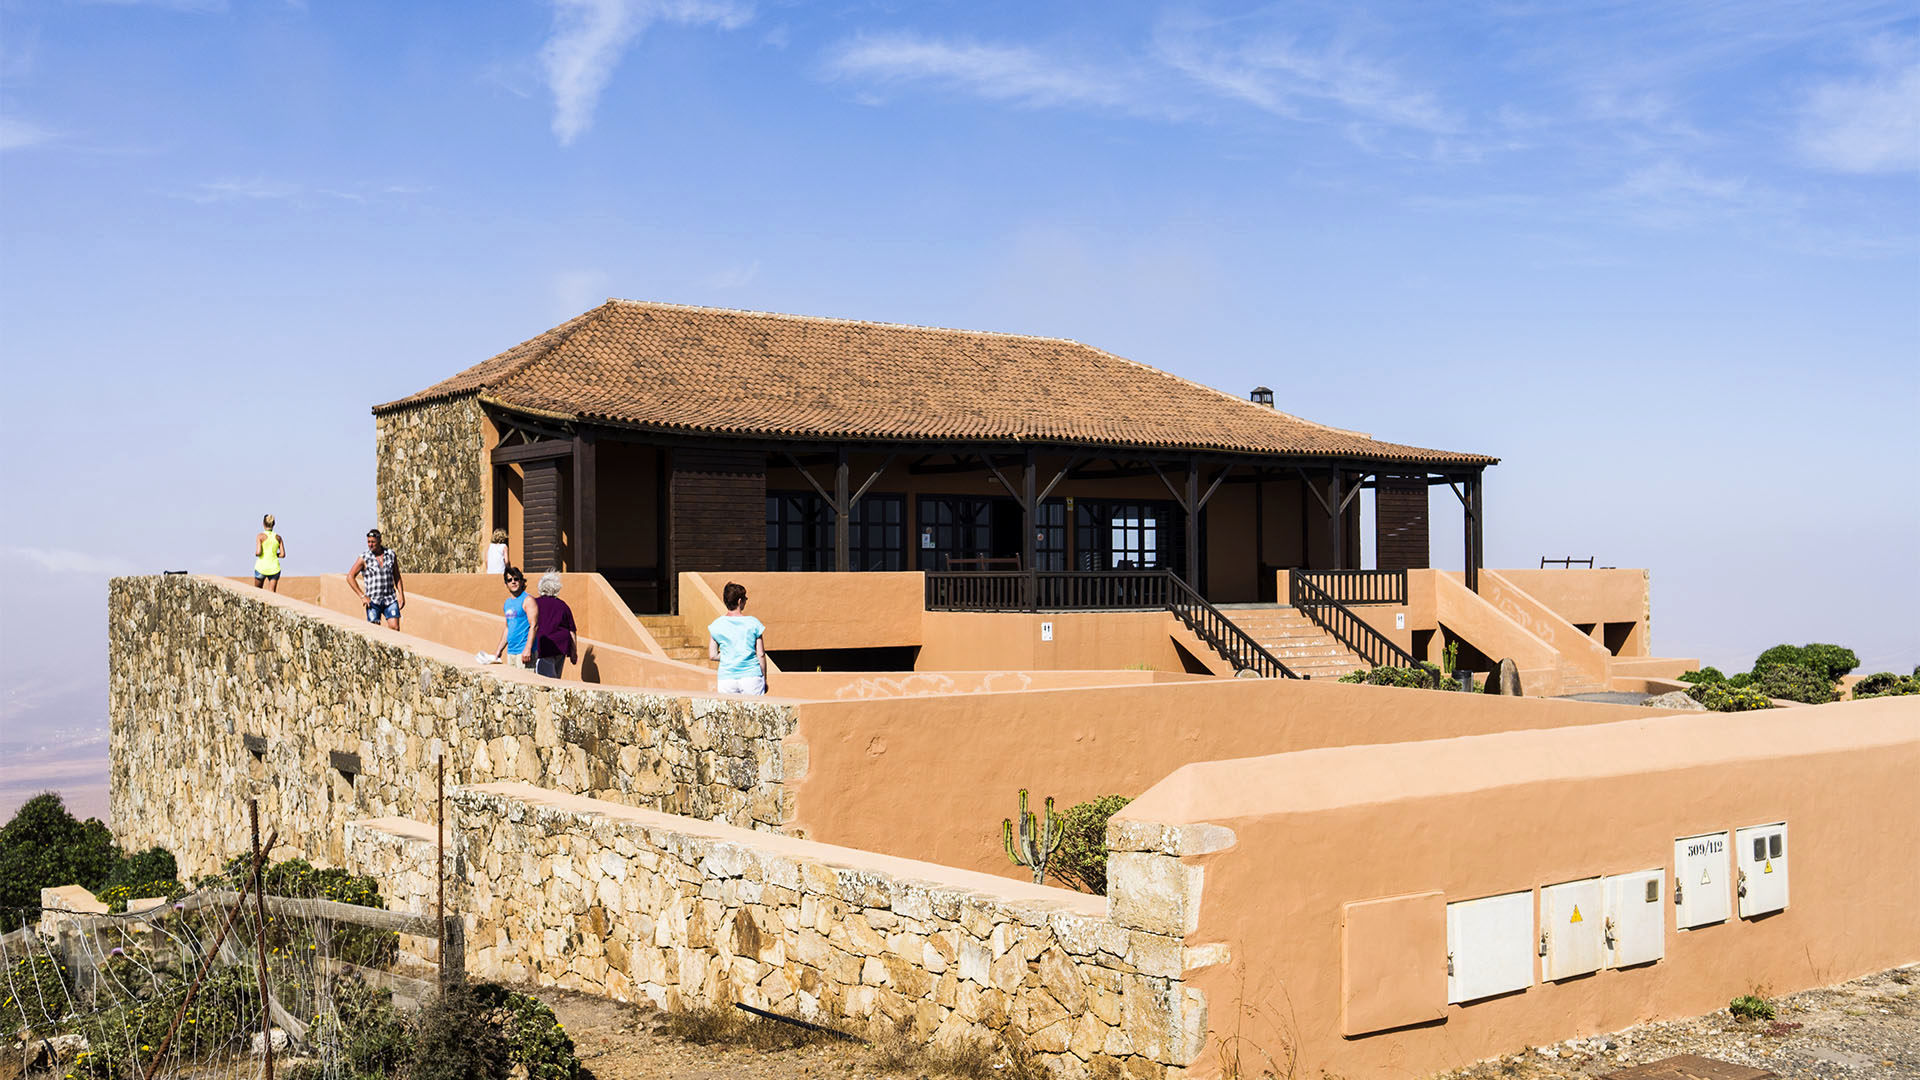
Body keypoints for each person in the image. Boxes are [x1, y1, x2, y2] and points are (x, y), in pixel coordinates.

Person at [707, 582, 767, 695]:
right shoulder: (753, 623)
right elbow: (761, 654)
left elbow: (712, 655)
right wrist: (764, 678)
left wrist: (731, 655)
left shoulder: (716, 625)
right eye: (745, 599)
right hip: (751, 676)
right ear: (740, 601)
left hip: (726, 678)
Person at [347, 528, 405, 629]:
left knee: (394, 627)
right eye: (368, 542)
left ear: (379, 541)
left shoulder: (391, 554)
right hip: (373, 601)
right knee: (375, 630)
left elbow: (397, 576)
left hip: (390, 599)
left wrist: (401, 594)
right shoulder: (364, 558)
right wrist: (362, 596)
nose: (370, 544)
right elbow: (350, 577)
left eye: (373, 542)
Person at [526, 570, 577, 679]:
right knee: (556, 678)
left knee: (547, 680)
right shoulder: (563, 605)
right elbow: (571, 630)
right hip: (561, 647)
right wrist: (573, 652)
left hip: (544, 646)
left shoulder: (534, 603)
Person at [491, 566, 536, 668]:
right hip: (511, 652)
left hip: (524, 653)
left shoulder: (528, 600)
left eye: (516, 579)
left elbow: (534, 625)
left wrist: (528, 649)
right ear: (506, 584)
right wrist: (498, 650)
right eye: (510, 580)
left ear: (521, 581)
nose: (513, 582)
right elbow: (508, 628)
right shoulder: (507, 603)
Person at [253, 514, 285, 592]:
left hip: (261, 567)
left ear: (263, 524)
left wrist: (257, 554)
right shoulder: (278, 537)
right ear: (274, 524)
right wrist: (274, 554)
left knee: (257, 592)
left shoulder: (260, 536)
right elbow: (282, 554)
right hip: (274, 568)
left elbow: (258, 552)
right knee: (271, 594)